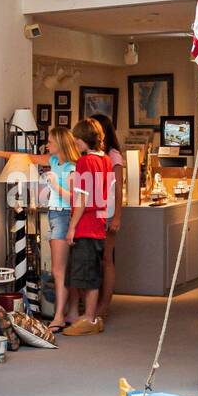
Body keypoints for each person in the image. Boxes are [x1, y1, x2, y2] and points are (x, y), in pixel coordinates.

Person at [0, 125, 80, 332]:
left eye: (50, 141)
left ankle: (58, 316)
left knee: (58, 270)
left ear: (60, 144)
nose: (47, 144)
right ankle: (69, 312)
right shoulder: (54, 160)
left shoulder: (71, 168)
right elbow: (26, 157)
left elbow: (74, 198)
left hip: (64, 216)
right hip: (56, 215)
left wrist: (54, 184)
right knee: (63, 269)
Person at [63, 118, 112, 336]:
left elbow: (82, 198)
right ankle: (89, 316)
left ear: (85, 140)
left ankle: (89, 318)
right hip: (99, 223)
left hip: (86, 224)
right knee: (91, 270)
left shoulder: (84, 163)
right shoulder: (107, 161)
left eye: (78, 140)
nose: (76, 144)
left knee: (86, 273)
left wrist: (72, 227)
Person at [90, 113, 123, 322]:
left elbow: (119, 188)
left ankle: (104, 304)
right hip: (92, 211)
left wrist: (117, 216)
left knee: (106, 258)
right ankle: (94, 301)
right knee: (92, 258)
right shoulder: (94, 154)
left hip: (108, 211)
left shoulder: (113, 155)